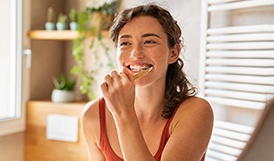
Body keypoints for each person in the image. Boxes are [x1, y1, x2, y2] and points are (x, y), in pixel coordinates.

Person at [81, 3, 214, 161]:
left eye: (149, 42)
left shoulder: (195, 112)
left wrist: (123, 113)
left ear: (173, 53)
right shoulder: (93, 115)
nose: (136, 53)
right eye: (125, 43)